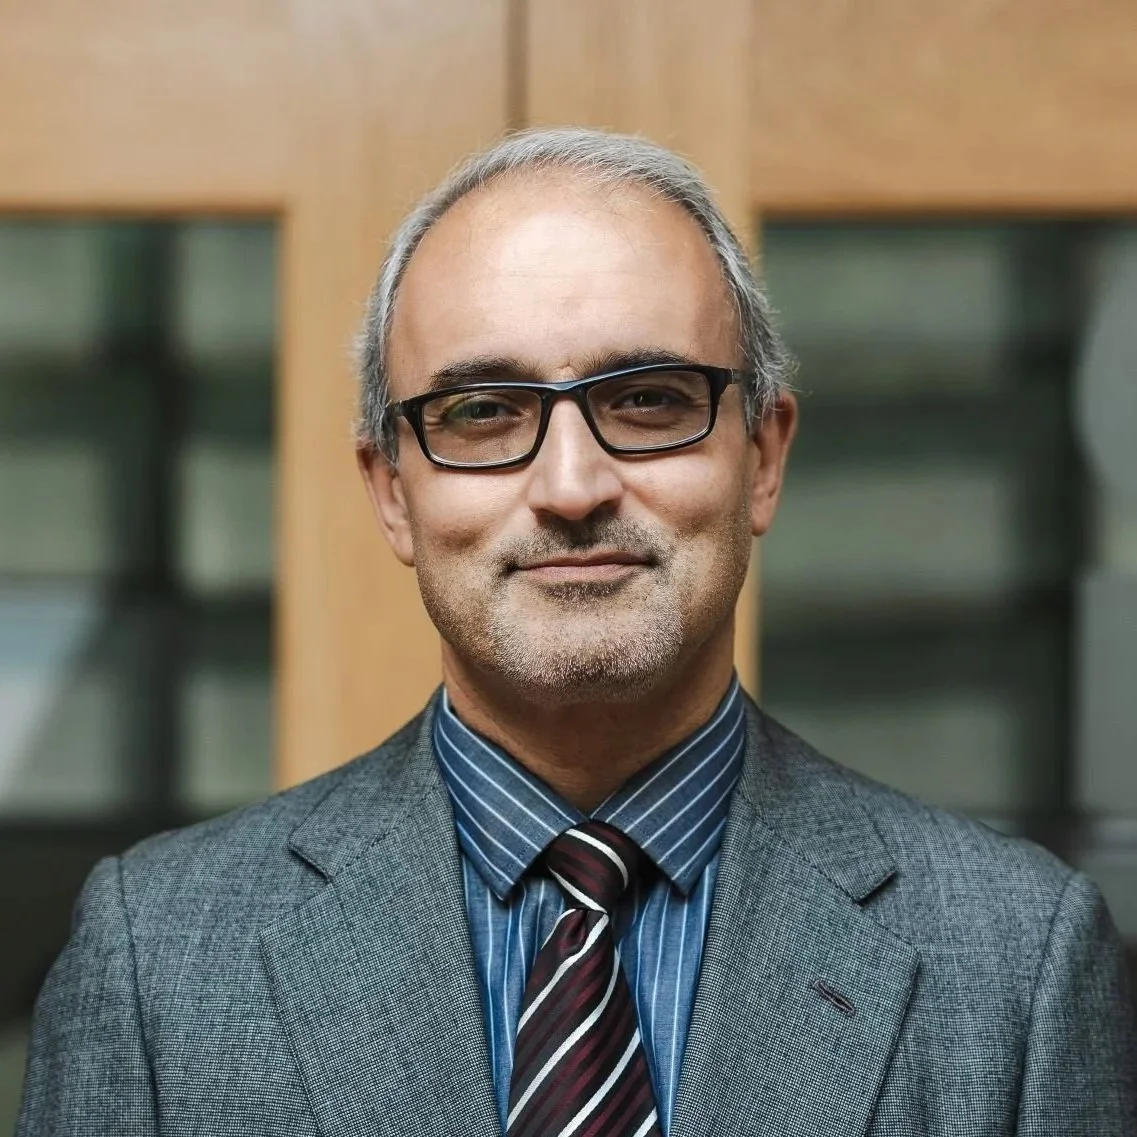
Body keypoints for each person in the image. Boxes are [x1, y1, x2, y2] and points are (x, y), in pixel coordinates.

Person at [18, 128, 1136, 1137]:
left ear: (766, 456)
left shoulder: (1015, 964)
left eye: (648, 399)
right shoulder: (157, 964)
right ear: (392, 491)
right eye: (481, 412)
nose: (569, 485)